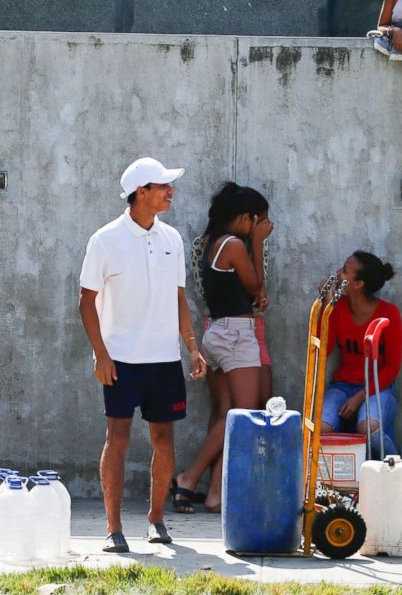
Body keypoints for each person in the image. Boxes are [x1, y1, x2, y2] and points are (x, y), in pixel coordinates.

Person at [79, 157, 207, 553]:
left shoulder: (173, 238)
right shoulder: (105, 239)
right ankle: (113, 528)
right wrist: (101, 355)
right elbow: (86, 301)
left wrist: (191, 347)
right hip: (120, 360)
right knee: (117, 437)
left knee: (164, 439)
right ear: (140, 192)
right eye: (162, 186)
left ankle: (156, 520)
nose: (170, 191)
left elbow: (180, 297)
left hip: (164, 360)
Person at [171, 183, 272, 514]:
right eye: (260, 223)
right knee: (243, 417)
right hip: (236, 335)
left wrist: (255, 292)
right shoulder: (234, 246)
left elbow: (249, 291)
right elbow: (255, 283)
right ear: (246, 219)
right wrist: (256, 243)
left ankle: (215, 495)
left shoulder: (215, 242)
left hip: (217, 332)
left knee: (226, 415)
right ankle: (188, 478)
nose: (264, 229)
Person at [322, 251, 402, 456]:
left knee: (368, 428)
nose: (338, 273)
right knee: (320, 430)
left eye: (345, 271)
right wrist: (327, 307)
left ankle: (397, 469)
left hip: (377, 388)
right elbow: (325, 348)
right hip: (341, 386)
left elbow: (392, 368)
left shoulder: (388, 313)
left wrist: (360, 397)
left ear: (358, 285)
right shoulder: (339, 308)